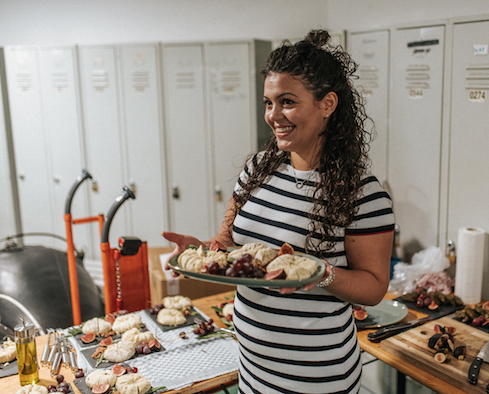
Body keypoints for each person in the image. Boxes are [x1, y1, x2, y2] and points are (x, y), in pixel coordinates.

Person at [163, 29, 394, 394]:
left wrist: (318, 273)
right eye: (269, 102)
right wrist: (201, 250)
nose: (274, 115)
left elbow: (374, 288)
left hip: (317, 375)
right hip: (253, 366)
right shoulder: (257, 170)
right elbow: (228, 242)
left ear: (327, 104)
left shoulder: (362, 194)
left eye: (287, 101)